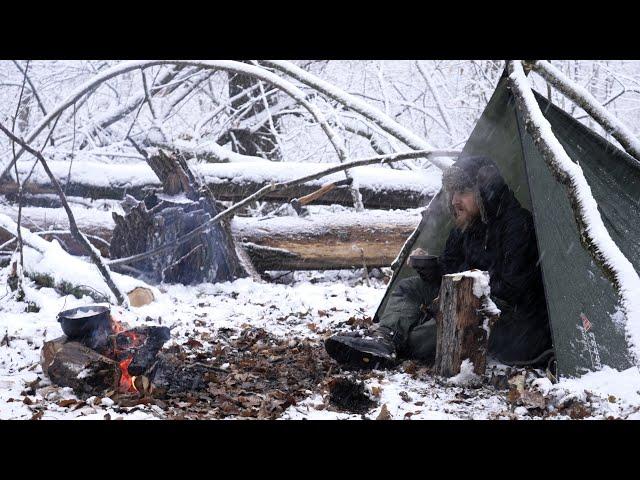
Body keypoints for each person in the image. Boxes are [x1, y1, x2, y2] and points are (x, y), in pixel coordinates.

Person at [325, 155, 553, 369]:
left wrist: (466, 286)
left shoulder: (517, 225)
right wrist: (431, 267)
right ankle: (384, 339)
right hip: (468, 300)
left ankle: (385, 350)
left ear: (485, 191)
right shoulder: (465, 227)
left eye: (462, 192)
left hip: (506, 318)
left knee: (428, 335)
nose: (454, 201)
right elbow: (450, 267)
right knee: (410, 287)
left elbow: (514, 290)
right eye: (452, 193)